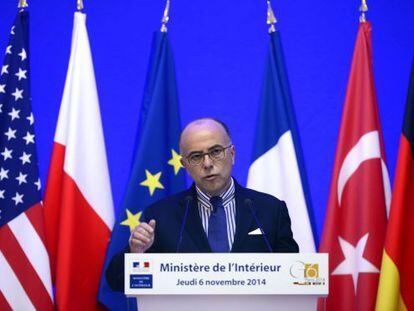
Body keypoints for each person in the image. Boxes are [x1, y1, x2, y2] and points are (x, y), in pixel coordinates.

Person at [106, 118, 298, 291]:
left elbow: (293, 276)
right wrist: (136, 253)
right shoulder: (161, 216)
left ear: (232, 154)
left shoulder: (270, 210)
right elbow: (116, 281)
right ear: (184, 165)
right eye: (196, 156)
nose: (207, 163)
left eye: (215, 152)